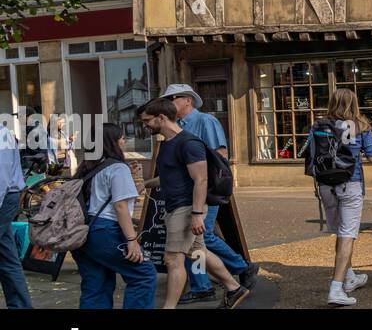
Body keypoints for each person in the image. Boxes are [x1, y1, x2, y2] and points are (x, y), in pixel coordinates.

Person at [137, 97, 251, 309]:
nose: (145, 125)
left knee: (173, 260)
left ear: (161, 117)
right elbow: (171, 176)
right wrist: (146, 184)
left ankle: (168, 308)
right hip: (176, 207)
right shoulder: (167, 144)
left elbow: (201, 179)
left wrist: (197, 214)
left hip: (186, 208)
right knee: (199, 253)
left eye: (147, 120)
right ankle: (234, 288)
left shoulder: (188, 143)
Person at [164, 83, 256, 303]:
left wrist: (203, 181)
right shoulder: (175, 126)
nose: (168, 104)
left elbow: (221, 156)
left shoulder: (206, 121)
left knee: (200, 237)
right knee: (194, 241)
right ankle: (202, 285)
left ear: (188, 100)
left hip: (205, 189)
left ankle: (241, 266)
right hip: (187, 192)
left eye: (171, 99)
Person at [70, 123, 156, 309]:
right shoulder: (117, 168)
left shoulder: (89, 167)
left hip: (83, 232)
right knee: (143, 274)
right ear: (113, 142)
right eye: (122, 138)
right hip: (106, 230)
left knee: (96, 285)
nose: (124, 141)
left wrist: (128, 175)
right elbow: (120, 206)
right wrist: (132, 240)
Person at [312, 88, 372, 306]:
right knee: (347, 235)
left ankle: (349, 275)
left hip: (325, 184)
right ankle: (336, 288)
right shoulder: (360, 125)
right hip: (350, 182)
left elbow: (310, 156)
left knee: (341, 233)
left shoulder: (319, 125)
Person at [0, 119, 33, 309]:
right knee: (7, 257)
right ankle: (20, 305)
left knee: (7, 258)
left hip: (4, 199)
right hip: (6, 198)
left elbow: (1, 178)